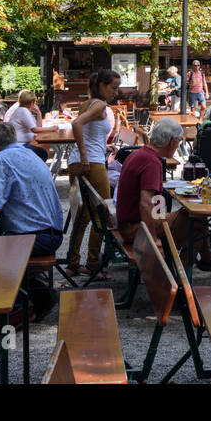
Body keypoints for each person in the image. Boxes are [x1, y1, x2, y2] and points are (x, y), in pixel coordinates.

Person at [0, 121, 65, 322]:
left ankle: (16, 311)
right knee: (1, 243)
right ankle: (42, 296)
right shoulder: (29, 153)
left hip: (36, 236)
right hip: (51, 232)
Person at [114, 117, 211, 270]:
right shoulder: (152, 162)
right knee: (197, 222)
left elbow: (152, 201)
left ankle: (202, 260)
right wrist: (153, 238)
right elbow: (146, 203)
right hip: (135, 229)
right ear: (172, 142)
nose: (178, 146)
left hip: (129, 223)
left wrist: (164, 217)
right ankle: (180, 275)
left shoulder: (141, 154)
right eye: (179, 141)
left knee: (196, 219)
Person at [65, 69, 119, 279]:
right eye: (113, 88)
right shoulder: (100, 105)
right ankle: (93, 263)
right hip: (92, 163)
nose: (116, 92)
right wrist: (86, 155)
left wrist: (91, 151)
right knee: (105, 212)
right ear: (102, 86)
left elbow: (89, 132)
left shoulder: (87, 103)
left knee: (82, 214)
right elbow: (76, 124)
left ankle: (73, 262)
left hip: (75, 162)